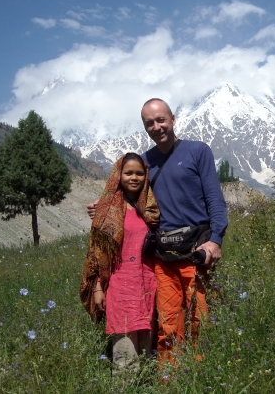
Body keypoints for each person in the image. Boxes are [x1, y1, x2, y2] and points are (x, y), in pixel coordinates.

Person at [88, 98, 228, 369]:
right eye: (149, 123)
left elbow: (215, 200)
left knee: (199, 316)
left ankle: (199, 372)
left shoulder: (198, 151)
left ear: (173, 119)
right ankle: (169, 376)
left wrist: (216, 239)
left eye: (161, 120)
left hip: (197, 250)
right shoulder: (146, 162)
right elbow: (127, 192)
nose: (157, 126)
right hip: (163, 255)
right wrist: (104, 207)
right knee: (167, 320)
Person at [80, 153, 160, 373]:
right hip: (119, 286)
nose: (134, 178)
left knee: (147, 349)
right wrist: (98, 288)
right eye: (128, 173)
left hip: (147, 284)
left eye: (139, 173)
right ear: (118, 175)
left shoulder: (151, 209)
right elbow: (97, 253)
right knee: (125, 353)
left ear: (146, 176)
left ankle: (144, 386)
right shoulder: (106, 210)